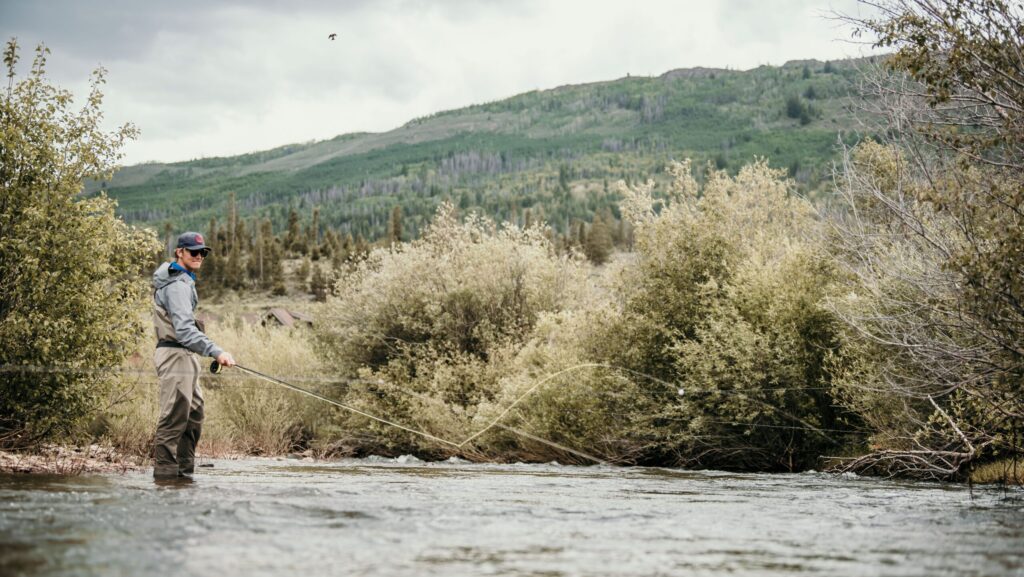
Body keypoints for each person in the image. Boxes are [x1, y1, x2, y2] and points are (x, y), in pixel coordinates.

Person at [151, 232, 235, 479]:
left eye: (203, 252)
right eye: (193, 251)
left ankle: (184, 474)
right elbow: (185, 330)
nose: (199, 256)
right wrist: (216, 351)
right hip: (175, 356)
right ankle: (166, 478)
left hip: (185, 356)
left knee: (194, 414)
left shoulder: (183, 281)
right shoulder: (177, 285)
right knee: (174, 417)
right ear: (180, 252)